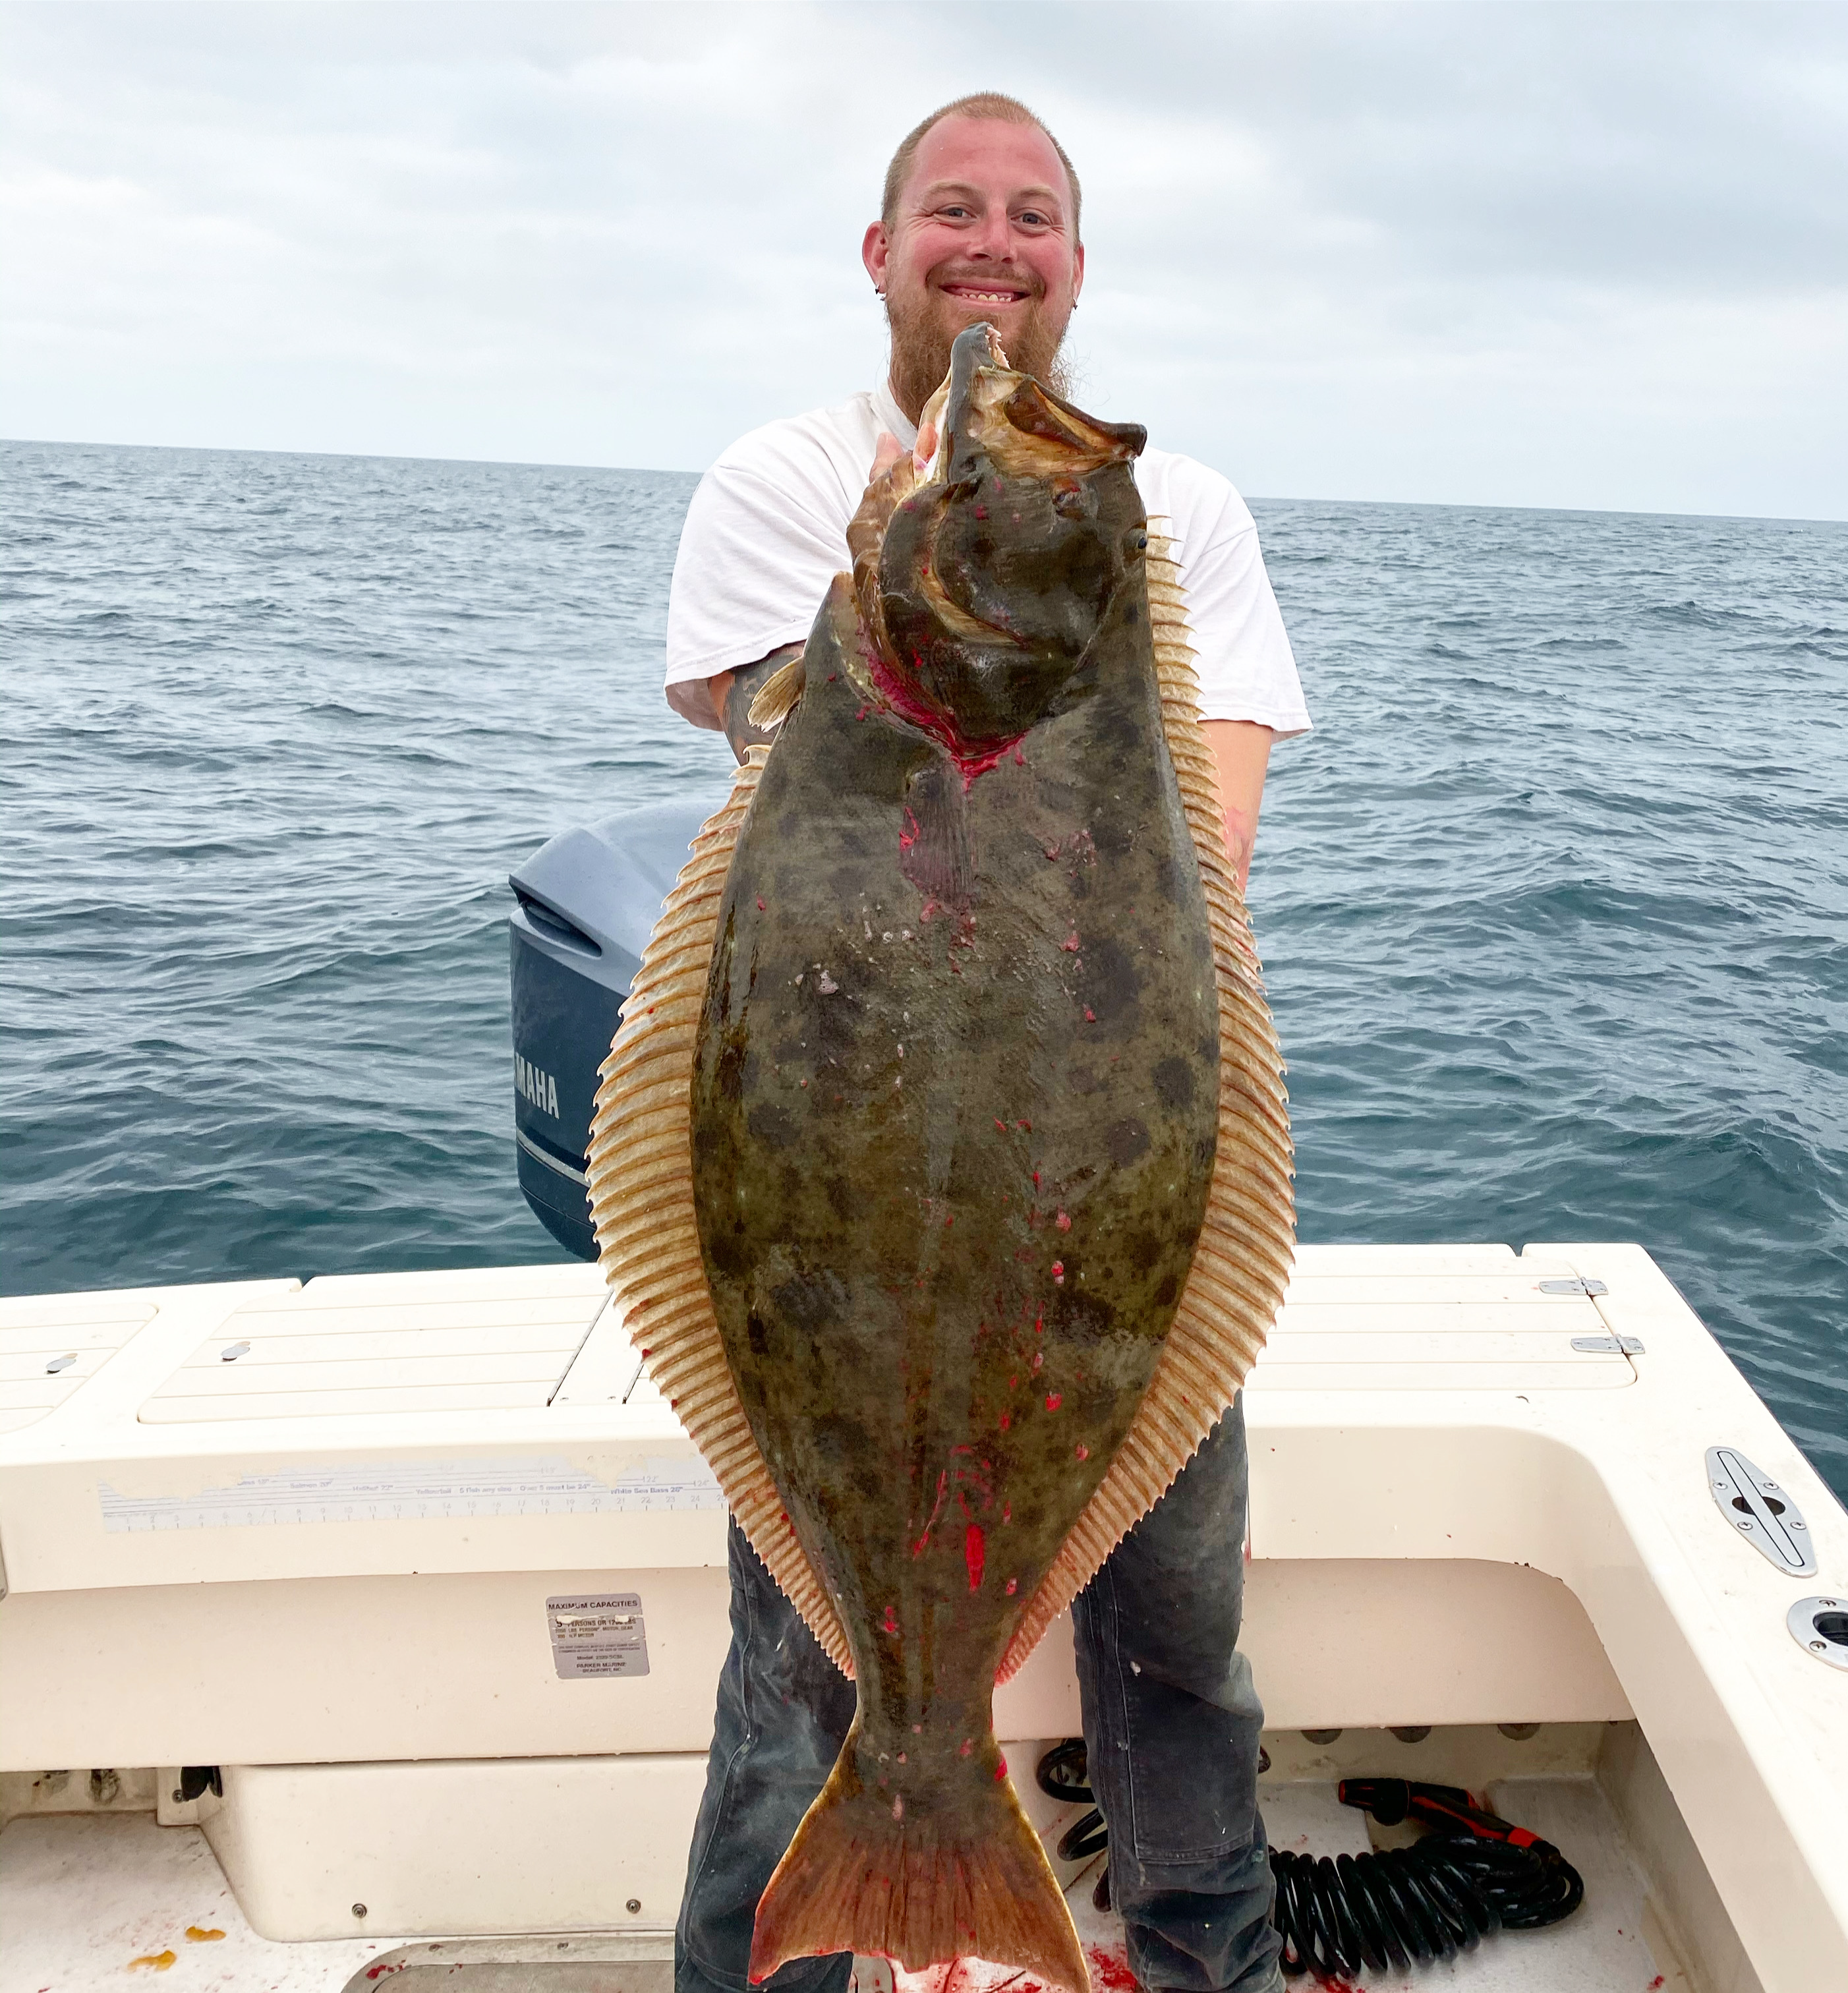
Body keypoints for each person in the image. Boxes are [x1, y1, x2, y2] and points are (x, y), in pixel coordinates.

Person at [662, 92, 1310, 1993]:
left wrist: (982, 544)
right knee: (799, 1662)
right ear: (883, 252)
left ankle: (1213, 1972)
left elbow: (1219, 830)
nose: (994, 244)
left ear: (1077, 264)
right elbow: (788, 747)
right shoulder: (787, 483)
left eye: (1036, 216)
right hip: (848, 1177)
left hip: (1101, 1173)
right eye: (953, 208)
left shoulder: (1176, 513)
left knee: (1181, 1637)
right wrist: (896, 549)